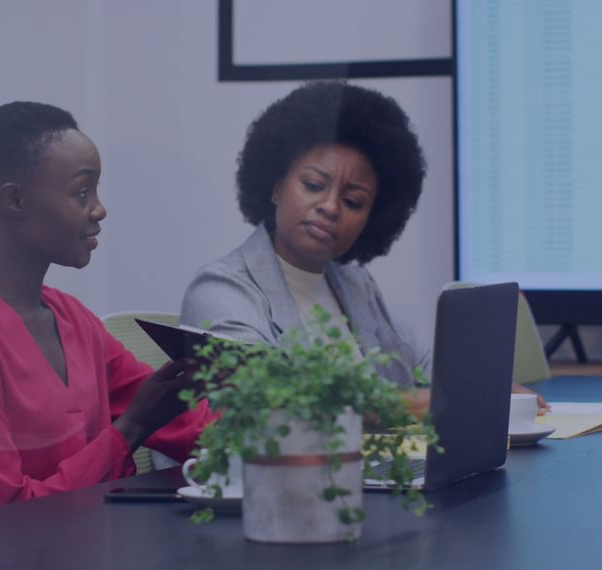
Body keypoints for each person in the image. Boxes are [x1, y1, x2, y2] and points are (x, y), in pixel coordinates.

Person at [0, 102, 211, 518]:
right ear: (14, 201)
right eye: (82, 192)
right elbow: (1, 513)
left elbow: (189, 427)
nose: (100, 209)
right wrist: (129, 431)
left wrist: (285, 426)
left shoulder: (72, 318)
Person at [180, 80, 546, 411]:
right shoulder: (221, 289)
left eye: (353, 202)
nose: (330, 207)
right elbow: (264, 405)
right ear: (276, 186)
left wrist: (489, 390)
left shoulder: (356, 285)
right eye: (312, 185)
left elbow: (418, 367)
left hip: (372, 473)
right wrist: (415, 403)